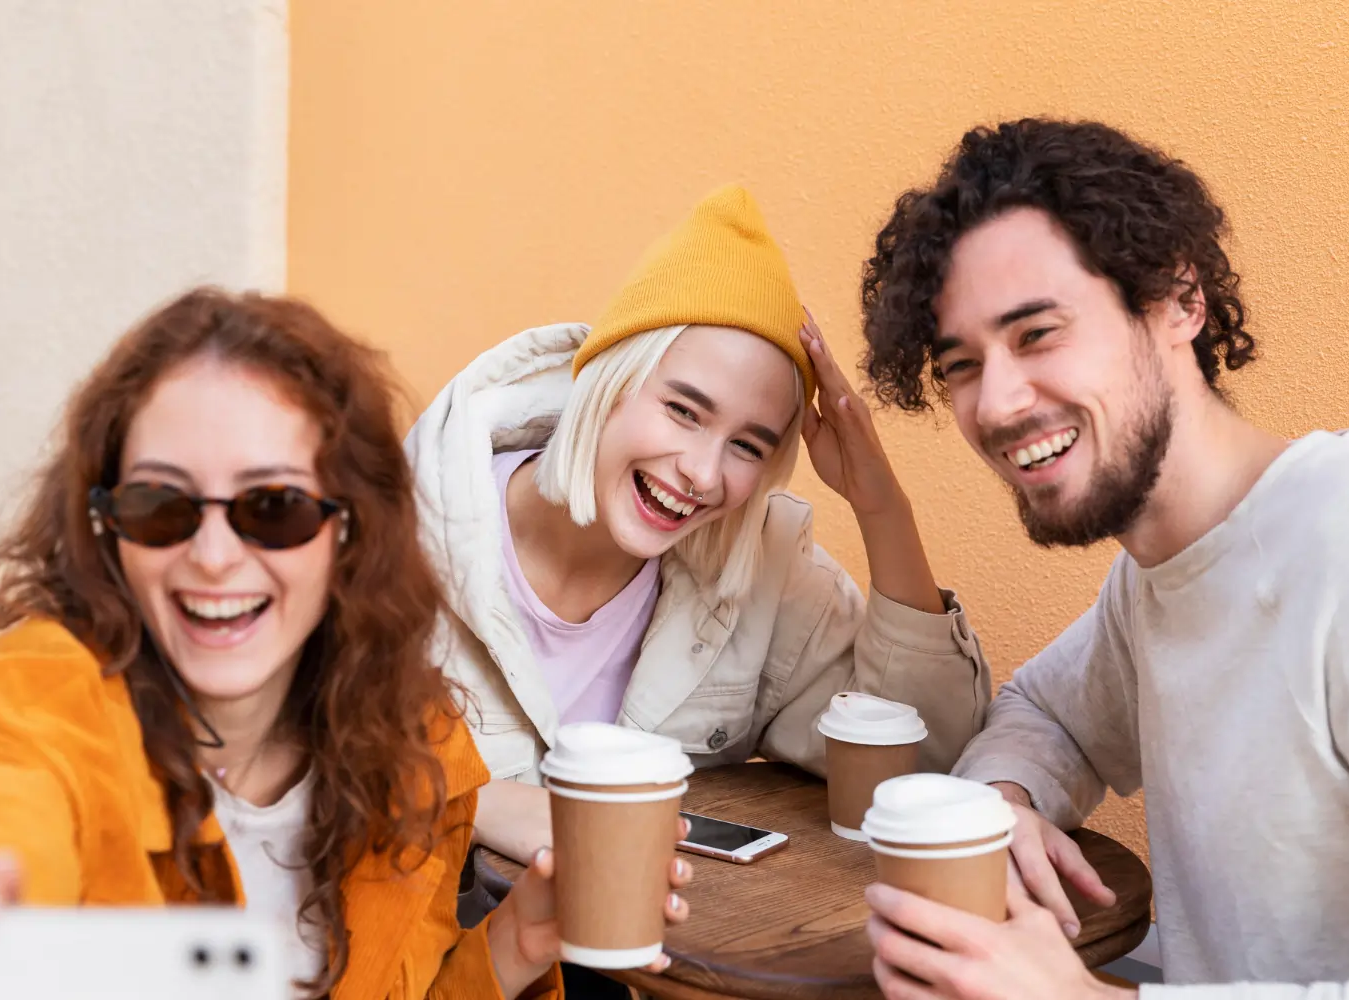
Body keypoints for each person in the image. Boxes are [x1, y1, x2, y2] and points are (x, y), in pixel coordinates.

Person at [0, 289, 689, 999]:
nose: (215, 554)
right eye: (161, 505)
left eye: (274, 507)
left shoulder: (416, 750)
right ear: (107, 531)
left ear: (348, 530)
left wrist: (516, 945)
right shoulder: (34, 703)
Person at [856, 118, 1349, 998]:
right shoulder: (1157, 577)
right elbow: (1043, 715)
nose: (1000, 401)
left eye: (1038, 332)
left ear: (1178, 304)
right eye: (963, 363)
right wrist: (1002, 801)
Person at [405, 185, 991, 867]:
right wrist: (480, 802)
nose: (704, 474)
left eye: (748, 445)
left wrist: (881, 508)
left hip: (640, 967)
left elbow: (929, 758)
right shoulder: (396, 532)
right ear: (608, 380)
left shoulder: (762, 571)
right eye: (684, 411)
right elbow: (279, 755)